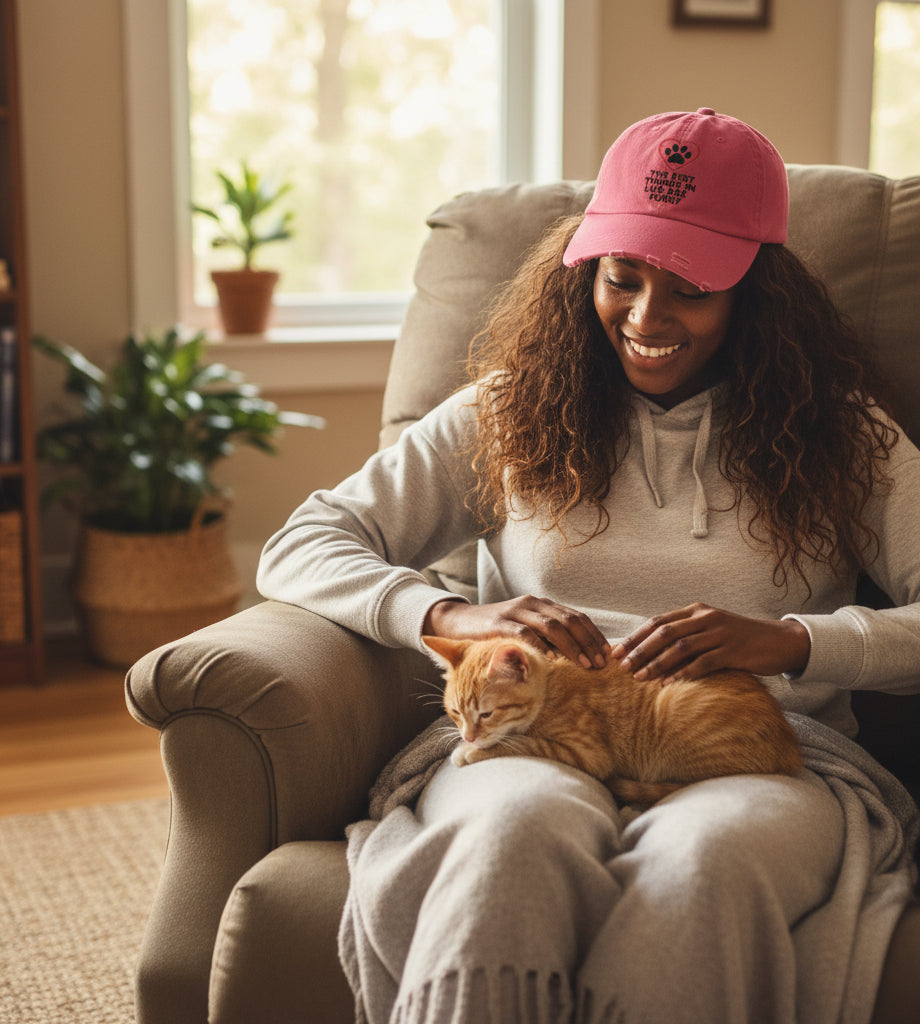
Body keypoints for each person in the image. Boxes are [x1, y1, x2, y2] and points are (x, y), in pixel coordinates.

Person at [257, 109, 920, 1024]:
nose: (646, 317)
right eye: (622, 278)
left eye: (689, 287)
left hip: (765, 757)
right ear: (586, 271)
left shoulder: (845, 434)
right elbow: (300, 542)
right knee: (513, 837)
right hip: (526, 731)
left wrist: (793, 643)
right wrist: (451, 618)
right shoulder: (507, 410)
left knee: (703, 865)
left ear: (755, 294)